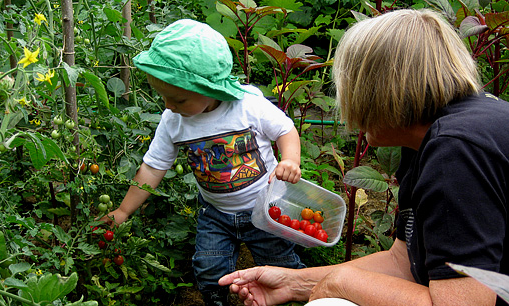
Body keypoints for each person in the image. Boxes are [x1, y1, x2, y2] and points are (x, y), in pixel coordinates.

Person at [218, 8, 508, 306]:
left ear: (379, 90)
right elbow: (402, 261)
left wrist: (341, 284)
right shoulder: (431, 136)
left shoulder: (456, 150)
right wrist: (295, 282)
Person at [100, 19, 306, 306]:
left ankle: (298, 296)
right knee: (209, 269)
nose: (169, 105)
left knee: (280, 264)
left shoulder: (247, 104)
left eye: (179, 99)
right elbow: (152, 166)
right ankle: (216, 299)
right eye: (164, 97)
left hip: (265, 209)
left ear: (211, 88)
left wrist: (290, 159)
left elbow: (284, 130)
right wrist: (123, 210)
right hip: (216, 213)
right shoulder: (173, 120)